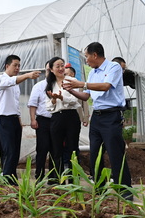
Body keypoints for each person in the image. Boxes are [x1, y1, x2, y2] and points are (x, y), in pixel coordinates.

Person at [63, 42, 132, 198]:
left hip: (111, 116)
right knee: (95, 154)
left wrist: (81, 83)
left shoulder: (113, 67)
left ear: (95, 55)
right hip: (97, 117)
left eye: (87, 56)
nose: (86, 60)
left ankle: (125, 189)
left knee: (115, 153)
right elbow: (86, 95)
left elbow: (106, 86)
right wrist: (72, 90)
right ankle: (99, 188)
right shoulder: (92, 72)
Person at [0, 54, 41, 184]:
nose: (17, 68)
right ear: (7, 66)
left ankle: (12, 177)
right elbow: (10, 81)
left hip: (14, 120)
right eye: (15, 65)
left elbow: (14, 103)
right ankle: (8, 179)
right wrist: (27, 75)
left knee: (15, 151)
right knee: (8, 150)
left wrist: (19, 120)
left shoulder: (16, 83)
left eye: (19, 66)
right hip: (3, 119)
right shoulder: (0, 79)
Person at [45, 57, 81, 183]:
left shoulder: (72, 80)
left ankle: (72, 181)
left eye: (62, 65)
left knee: (72, 149)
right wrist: (54, 100)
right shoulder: (50, 84)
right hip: (56, 118)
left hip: (71, 117)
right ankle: (56, 180)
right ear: (51, 69)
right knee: (56, 149)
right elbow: (48, 106)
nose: (61, 69)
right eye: (57, 66)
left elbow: (75, 100)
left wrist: (61, 98)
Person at [28, 61, 53, 181]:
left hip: (57, 121)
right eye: (48, 70)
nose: (50, 72)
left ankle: (54, 177)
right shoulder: (38, 86)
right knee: (42, 149)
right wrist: (33, 119)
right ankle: (39, 176)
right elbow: (32, 104)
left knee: (56, 150)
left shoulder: (61, 84)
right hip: (43, 121)